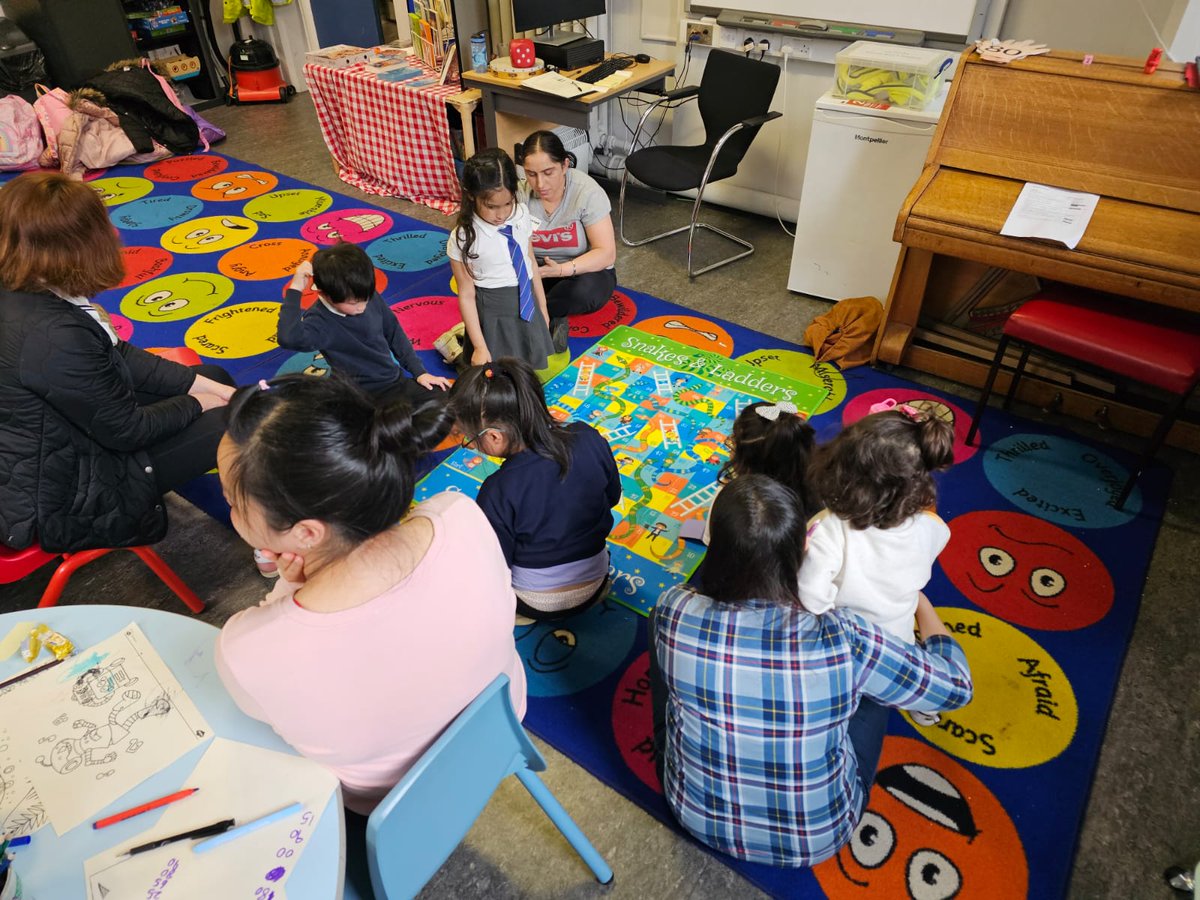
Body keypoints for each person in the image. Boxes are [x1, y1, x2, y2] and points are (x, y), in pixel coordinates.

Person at [214, 373, 527, 817]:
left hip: (394, 809)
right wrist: (300, 583)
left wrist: (289, 587)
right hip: (505, 725)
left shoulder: (246, 649)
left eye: (232, 499)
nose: (230, 509)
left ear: (304, 533)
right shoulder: (458, 514)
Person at [650, 475, 972, 868]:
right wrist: (923, 607)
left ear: (714, 546)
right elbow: (956, 687)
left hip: (692, 815)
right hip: (818, 839)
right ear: (803, 549)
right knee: (874, 690)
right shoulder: (847, 638)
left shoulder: (672, 608)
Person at [0, 171, 235, 553]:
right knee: (235, 418)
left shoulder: (25, 288)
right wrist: (202, 402)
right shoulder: (55, 333)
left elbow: (115, 353)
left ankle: (214, 475)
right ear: (70, 246)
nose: (112, 232)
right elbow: (127, 431)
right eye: (100, 226)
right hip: (59, 493)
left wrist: (208, 388)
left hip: (45, 448)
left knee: (213, 376)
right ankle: (267, 531)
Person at [801, 402, 955, 726]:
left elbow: (810, 598)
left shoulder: (828, 528)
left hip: (844, 655)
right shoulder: (933, 528)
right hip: (897, 648)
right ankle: (920, 703)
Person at [450, 358, 621, 619]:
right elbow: (612, 497)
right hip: (596, 581)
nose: (470, 445)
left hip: (535, 601)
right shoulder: (588, 436)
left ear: (495, 437)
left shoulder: (497, 490)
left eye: (469, 438)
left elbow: (497, 563)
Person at [277, 242, 451, 407]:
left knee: (445, 397)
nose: (362, 307)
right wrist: (296, 288)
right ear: (324, 294)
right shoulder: (318, 321)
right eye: (353, 303)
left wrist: (419, 372)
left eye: (365, 299)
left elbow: (393, 331)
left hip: (392, 382)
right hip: (354, 395)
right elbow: (288, 337)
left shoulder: (364, 293)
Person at [447, 147, 555, 372]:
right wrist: (478, 346)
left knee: (527, 362)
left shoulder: (521, 214)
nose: (502, 214)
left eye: (507, 203)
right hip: (493, 311)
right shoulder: (463, 237)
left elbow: (530, 261)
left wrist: (543, 309)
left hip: (527, 301)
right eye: (491, 207)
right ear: (470, 195)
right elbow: (466, 295)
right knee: (495, 371)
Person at [518, 130, 618, 350]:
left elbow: (606, 253)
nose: (540, 183)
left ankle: (531, 318)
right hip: (538, 271)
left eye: (548, 172)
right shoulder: (520, 193)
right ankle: (549, 318)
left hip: (581, 271)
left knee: (584, 293)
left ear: (564, 166)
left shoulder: (587, 192)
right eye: (531, 174)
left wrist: (562, 270)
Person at [701, 399, 817, 545]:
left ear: (746, 459)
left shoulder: (729, 496)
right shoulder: (819, 485)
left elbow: (710, 542)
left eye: (733, 440)